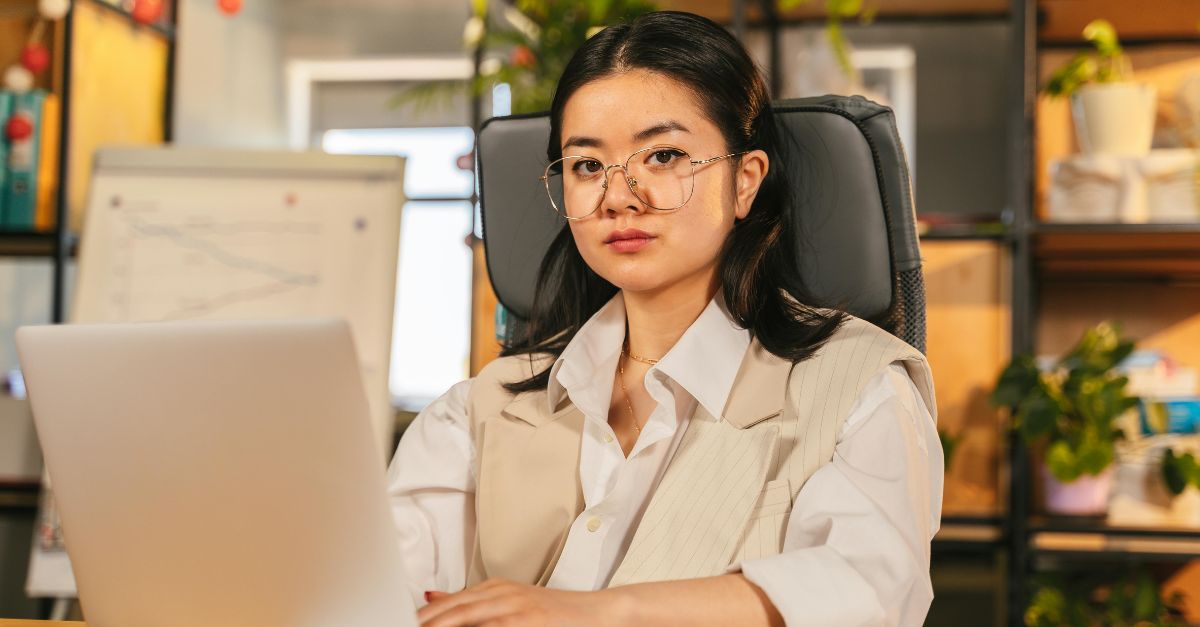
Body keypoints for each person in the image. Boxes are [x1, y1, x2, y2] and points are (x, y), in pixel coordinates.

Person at [388, 10, 941, 627]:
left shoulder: (859, 388)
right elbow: (373, 591)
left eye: (664, 155)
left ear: (745, 182)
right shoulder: (476, 411)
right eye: (587, 166)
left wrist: (595, 613)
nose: (619, 195)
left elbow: (867, 591)